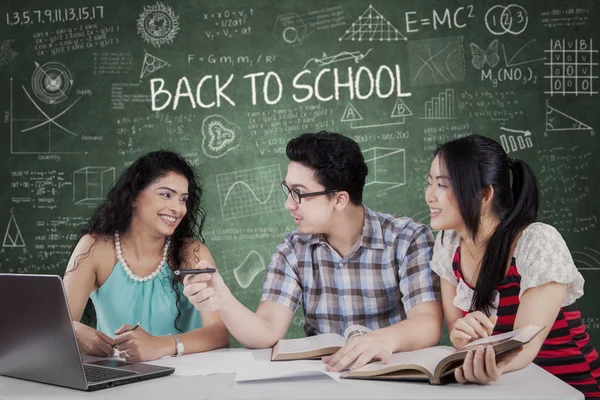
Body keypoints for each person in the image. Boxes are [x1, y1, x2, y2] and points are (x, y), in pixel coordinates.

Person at [183, 131, 442, 372]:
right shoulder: (292, 250)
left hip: (390, 373)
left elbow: (427, 323)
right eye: (288, 191)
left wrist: (379, 341)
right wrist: (223, 299)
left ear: (340, 199)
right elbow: (266, 331)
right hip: (325, 378)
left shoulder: (407, 238)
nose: (288, 204)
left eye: (299, 193)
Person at [426, 134, 600, 396]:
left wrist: (493, 362)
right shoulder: (447, 245)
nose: (429, 196)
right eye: (429, 183)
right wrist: (464, 340)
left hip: (570, 387)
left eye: (442, 185)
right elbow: (459, 335)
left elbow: (524, 346)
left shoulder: (536, 242)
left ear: (484, 194)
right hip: (505, 389)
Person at [63, 150, 229, 362]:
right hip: (118, 380)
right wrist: (73, 331)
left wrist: (159, 345)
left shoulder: (192, 253)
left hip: (186, 378)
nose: (177, 208)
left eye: (183, 199)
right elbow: (60, 325)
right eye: (166, 194)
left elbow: (219, 333)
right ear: (133, 197)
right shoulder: (94, 247)